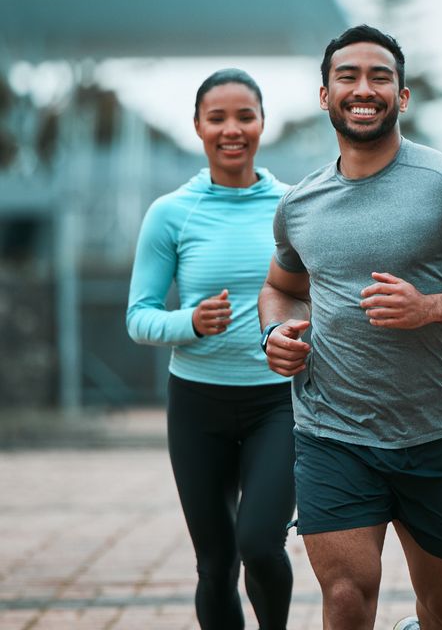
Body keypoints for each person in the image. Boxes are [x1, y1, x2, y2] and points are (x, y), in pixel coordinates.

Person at [257, 24, 442, 630]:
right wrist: (274, 335)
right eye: (348, 77)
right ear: (324, 95)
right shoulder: (299, 203)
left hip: (432, 434)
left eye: (380, 76)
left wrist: (432, 307)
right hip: (331, 432)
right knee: (347, 597)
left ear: (402, 96)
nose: (364, 88)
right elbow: (281, 288)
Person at [126, 69, 294, 630]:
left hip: (280, 403)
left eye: (245, 116)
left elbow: (320, 296)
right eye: (217, 117)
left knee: (262, 545)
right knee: (215, 564)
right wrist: (191, 322)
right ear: (197, 126)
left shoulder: (294, 207)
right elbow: (138, 316)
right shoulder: (171, 212)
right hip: (198, 405)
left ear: (263, 123)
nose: (232, 129)